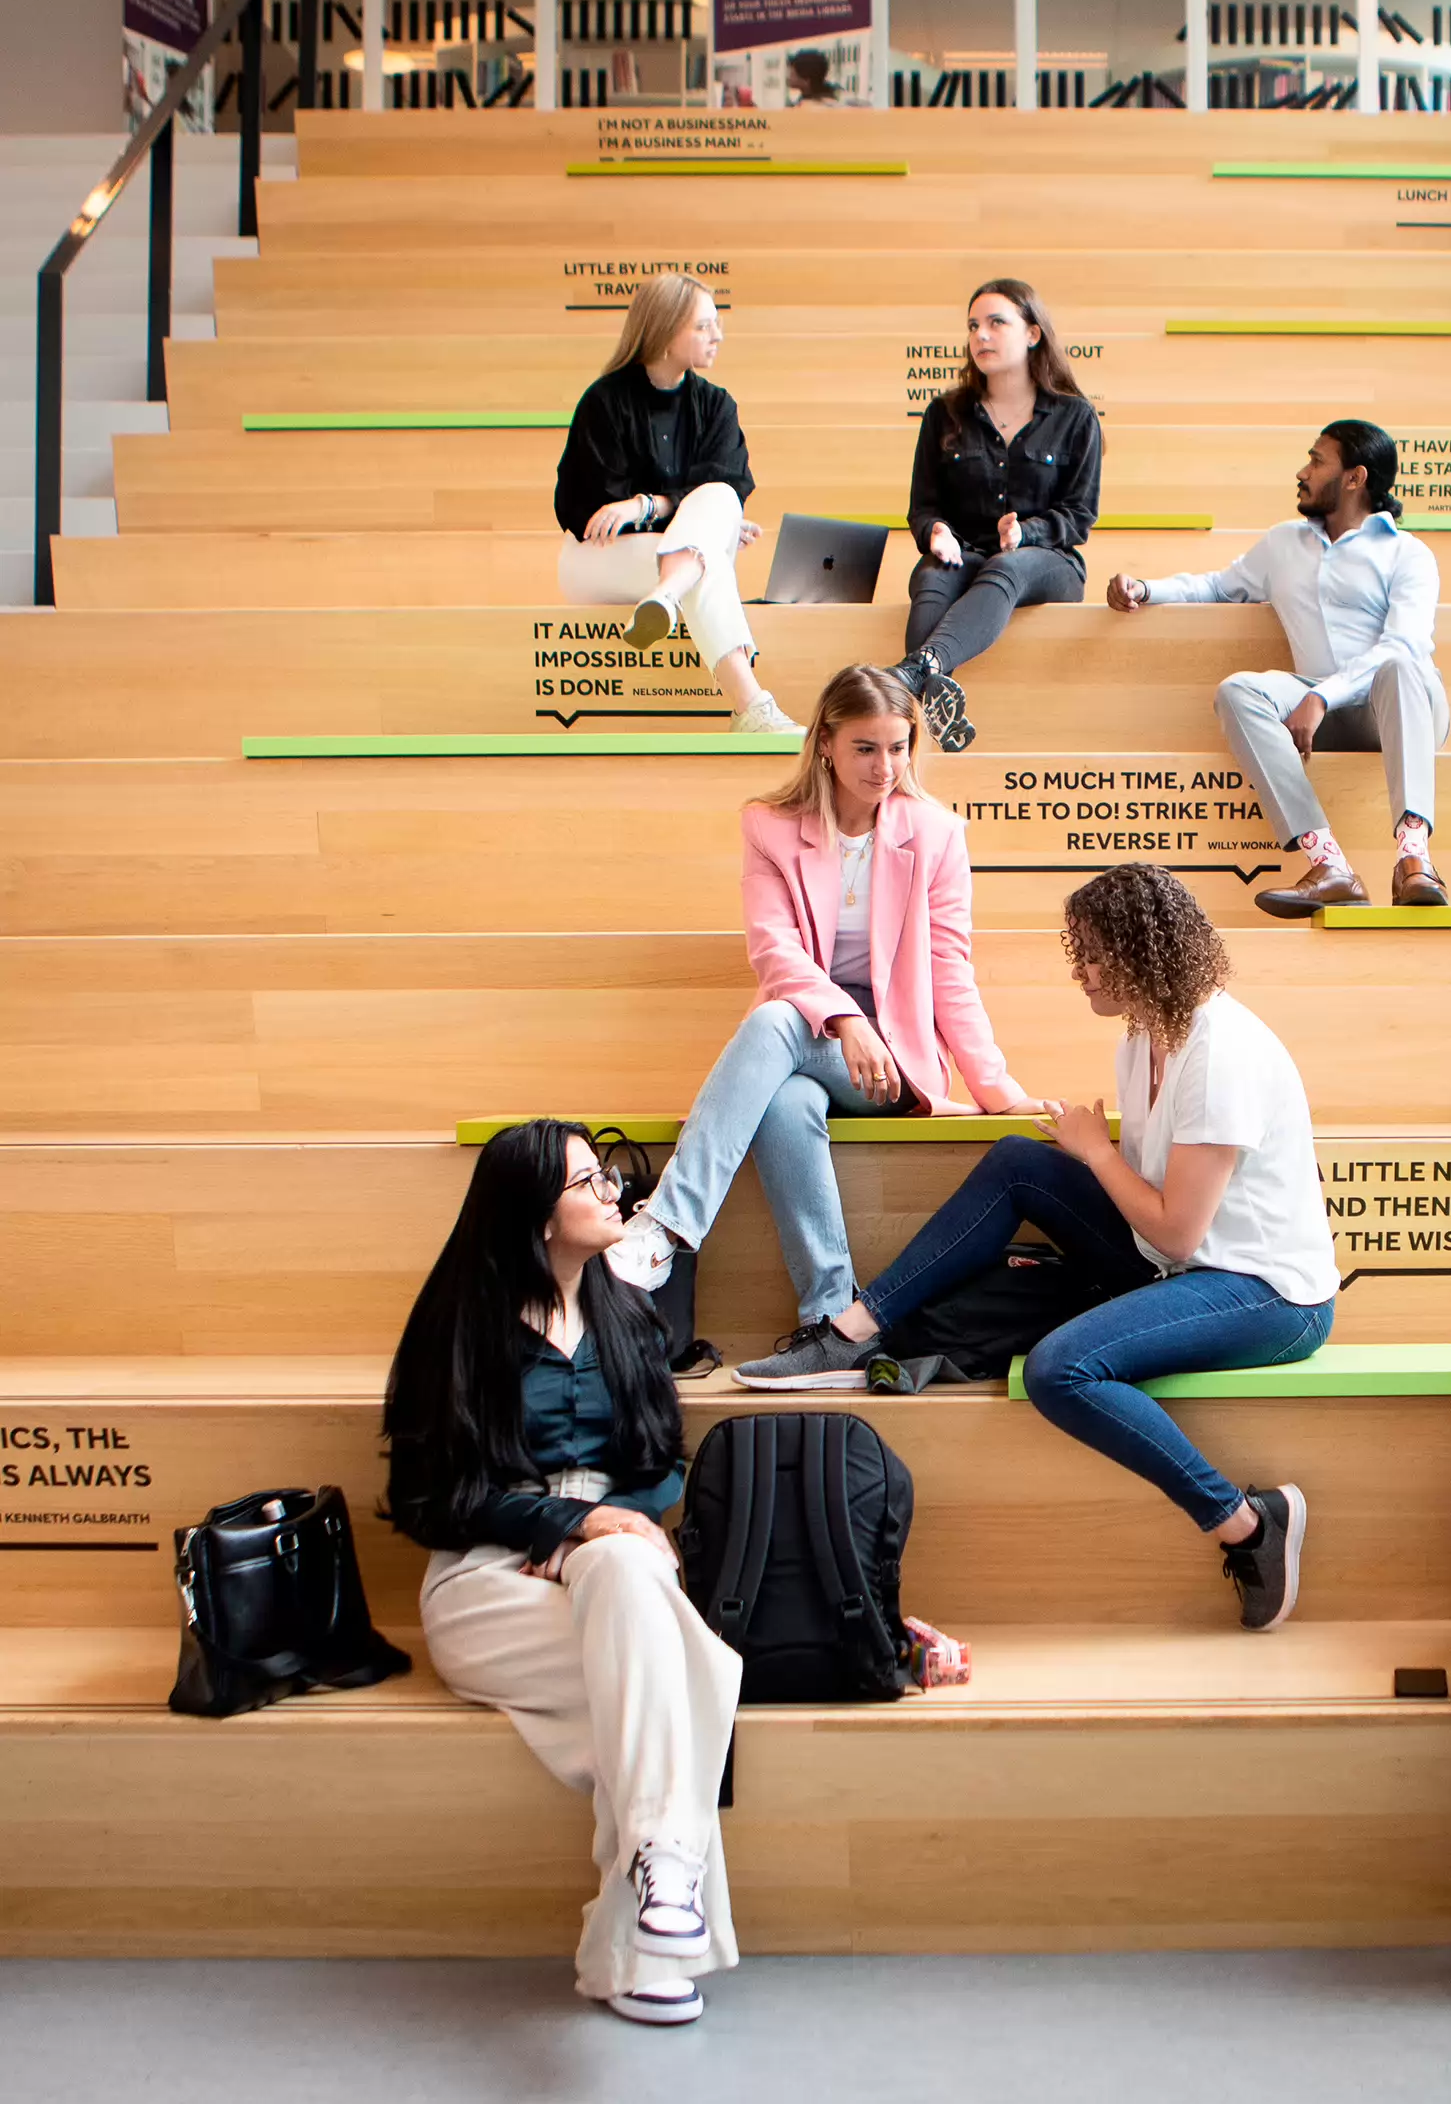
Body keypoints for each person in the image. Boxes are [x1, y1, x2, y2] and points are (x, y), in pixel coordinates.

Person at [738, 863, 1336, 1633]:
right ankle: (853, 1330)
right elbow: (1165, 1232)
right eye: (1075, 952)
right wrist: (1086, 1156)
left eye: (1093, 954)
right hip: (1179, 1265)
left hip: (1266, 1293)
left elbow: (1179, 1229)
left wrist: (1096, 1152)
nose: (1081, 971)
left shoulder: (1220, 1051)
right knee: (1020, 1163)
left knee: (1060, 1369)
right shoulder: (1142, 1040)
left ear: (1144, 952)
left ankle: (1247, 1525)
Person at [380, 1119, 738, 2029]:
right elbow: (428, 1497)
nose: (614, 1190)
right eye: (589, 1181)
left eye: (607, 1175)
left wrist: (606, 1534)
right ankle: (649, 1943)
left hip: (611, 1580)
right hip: (487, 1583)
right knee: (681, 1680)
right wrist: (563, 1526)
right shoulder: (461, 1323)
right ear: (537, 1213)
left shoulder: (624, 1310)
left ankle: (656, 1885)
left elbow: (661, 1460)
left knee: (629, 1590)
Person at [610, 665, 1038, 1352]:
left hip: (891, 1063)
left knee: (777, 1020)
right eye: (867, 748)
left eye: (899, 747)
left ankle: (668, 1226)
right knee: (786, 1100)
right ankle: (832, 1317)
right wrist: (844, 1021)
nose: (886, 766)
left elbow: (951, 971)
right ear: (826, 745)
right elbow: (774, 952)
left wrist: (999, 1090)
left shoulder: (936, 834)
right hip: (812, 1043)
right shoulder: (770, 827)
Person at [1107, 419, 1448, 917]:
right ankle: (1329, 865)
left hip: (1400, 704)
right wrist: (1146, 589)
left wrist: (1321, 696)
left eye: (1316, 460)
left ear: (1354, 478)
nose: (1303, 472)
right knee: (1238, 690)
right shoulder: (1285, 543)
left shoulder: (1408, 553)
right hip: (1321, 707)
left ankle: (1414, 858)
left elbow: (1405, 645)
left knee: (1398, 665)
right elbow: (1219, 587)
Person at [553, 271, 791, 734]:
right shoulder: (604, 402)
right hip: (596, 560)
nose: (717, 336)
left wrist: (648, 507)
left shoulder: (717, 406)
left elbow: (727, 485)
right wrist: (701, 524)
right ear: (663, 331)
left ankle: (668, 597)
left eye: (716, 324)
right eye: (703, 326)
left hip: (664, 563)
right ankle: (753, 711)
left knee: (716, 509)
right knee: (707, 554)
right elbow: (590, 513)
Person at [895, 278, 1103, 756]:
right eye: (973, 326)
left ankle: (915, 674)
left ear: (1032, 333)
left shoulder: (1074, 415)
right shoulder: (944, 413)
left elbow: (1079, 514)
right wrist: (936, 532)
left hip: (1048, 562)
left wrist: (1026, 531)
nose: (980, 336)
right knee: (931, 573)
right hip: (964, 552)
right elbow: (923, 506)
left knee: (1004, 565)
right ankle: (927, 705)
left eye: (995, 323)